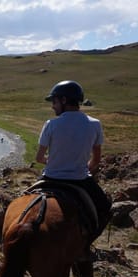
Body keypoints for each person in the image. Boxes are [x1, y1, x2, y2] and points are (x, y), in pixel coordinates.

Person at [35, 80, 112, 241]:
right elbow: (96, 159)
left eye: (54, 101)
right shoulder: (95, 124)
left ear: (64, 100)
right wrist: (83, 168)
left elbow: (39, 158)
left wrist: (54, 161)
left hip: (50, 178)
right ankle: (86, 245)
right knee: (105, 208)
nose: (52, 106)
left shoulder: (51, 124)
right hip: (80, 180)